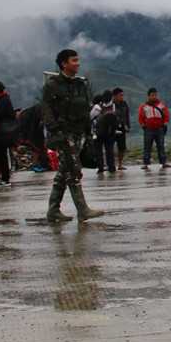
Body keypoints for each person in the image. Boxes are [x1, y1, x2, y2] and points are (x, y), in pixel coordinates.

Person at [41, 48, 104, 222]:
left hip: (78, 133)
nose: (78, 64)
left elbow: (85, 111)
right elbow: (47, 110)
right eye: (74, 60)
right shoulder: (52, 85)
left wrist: (88, 134)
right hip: (62, 134)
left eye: (77, 60)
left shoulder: (80, 85)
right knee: (73, 169)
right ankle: (82, 209)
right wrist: (55, 131)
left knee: (64, 171)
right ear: (64, 63)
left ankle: (53, 210)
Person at [138, 88, 171, 170]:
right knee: (147, 147)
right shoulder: (144, 107)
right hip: (148, 129)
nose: (154, 97)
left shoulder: (162, 106)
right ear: (148, 96)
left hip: (159, 129)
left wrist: (164, 125)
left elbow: (166, 116)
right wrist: (143, 126)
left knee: (161, 146)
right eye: (152, 95)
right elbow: (140, 117)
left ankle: (164, 162)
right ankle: (146, 163)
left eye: (155, 95)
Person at [91, 90, 118, 173]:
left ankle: (100, 168)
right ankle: (112, 168)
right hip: (110, 132)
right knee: (109, 150)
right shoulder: (113, 106)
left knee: (98, 151)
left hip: (99, 132)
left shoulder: (97, 107)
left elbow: (90, 116)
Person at [112, 87, 131, 170]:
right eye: (120, 95)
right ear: (115, 96)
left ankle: (120, 164)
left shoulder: (124, 104)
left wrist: (128, 126)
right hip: (113, 127)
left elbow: (127, 115)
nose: (122, 97)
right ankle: (111, 163)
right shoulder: (111, 105)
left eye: (122, 95)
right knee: (110, 145)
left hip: (122, 127)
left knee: (121, 147)